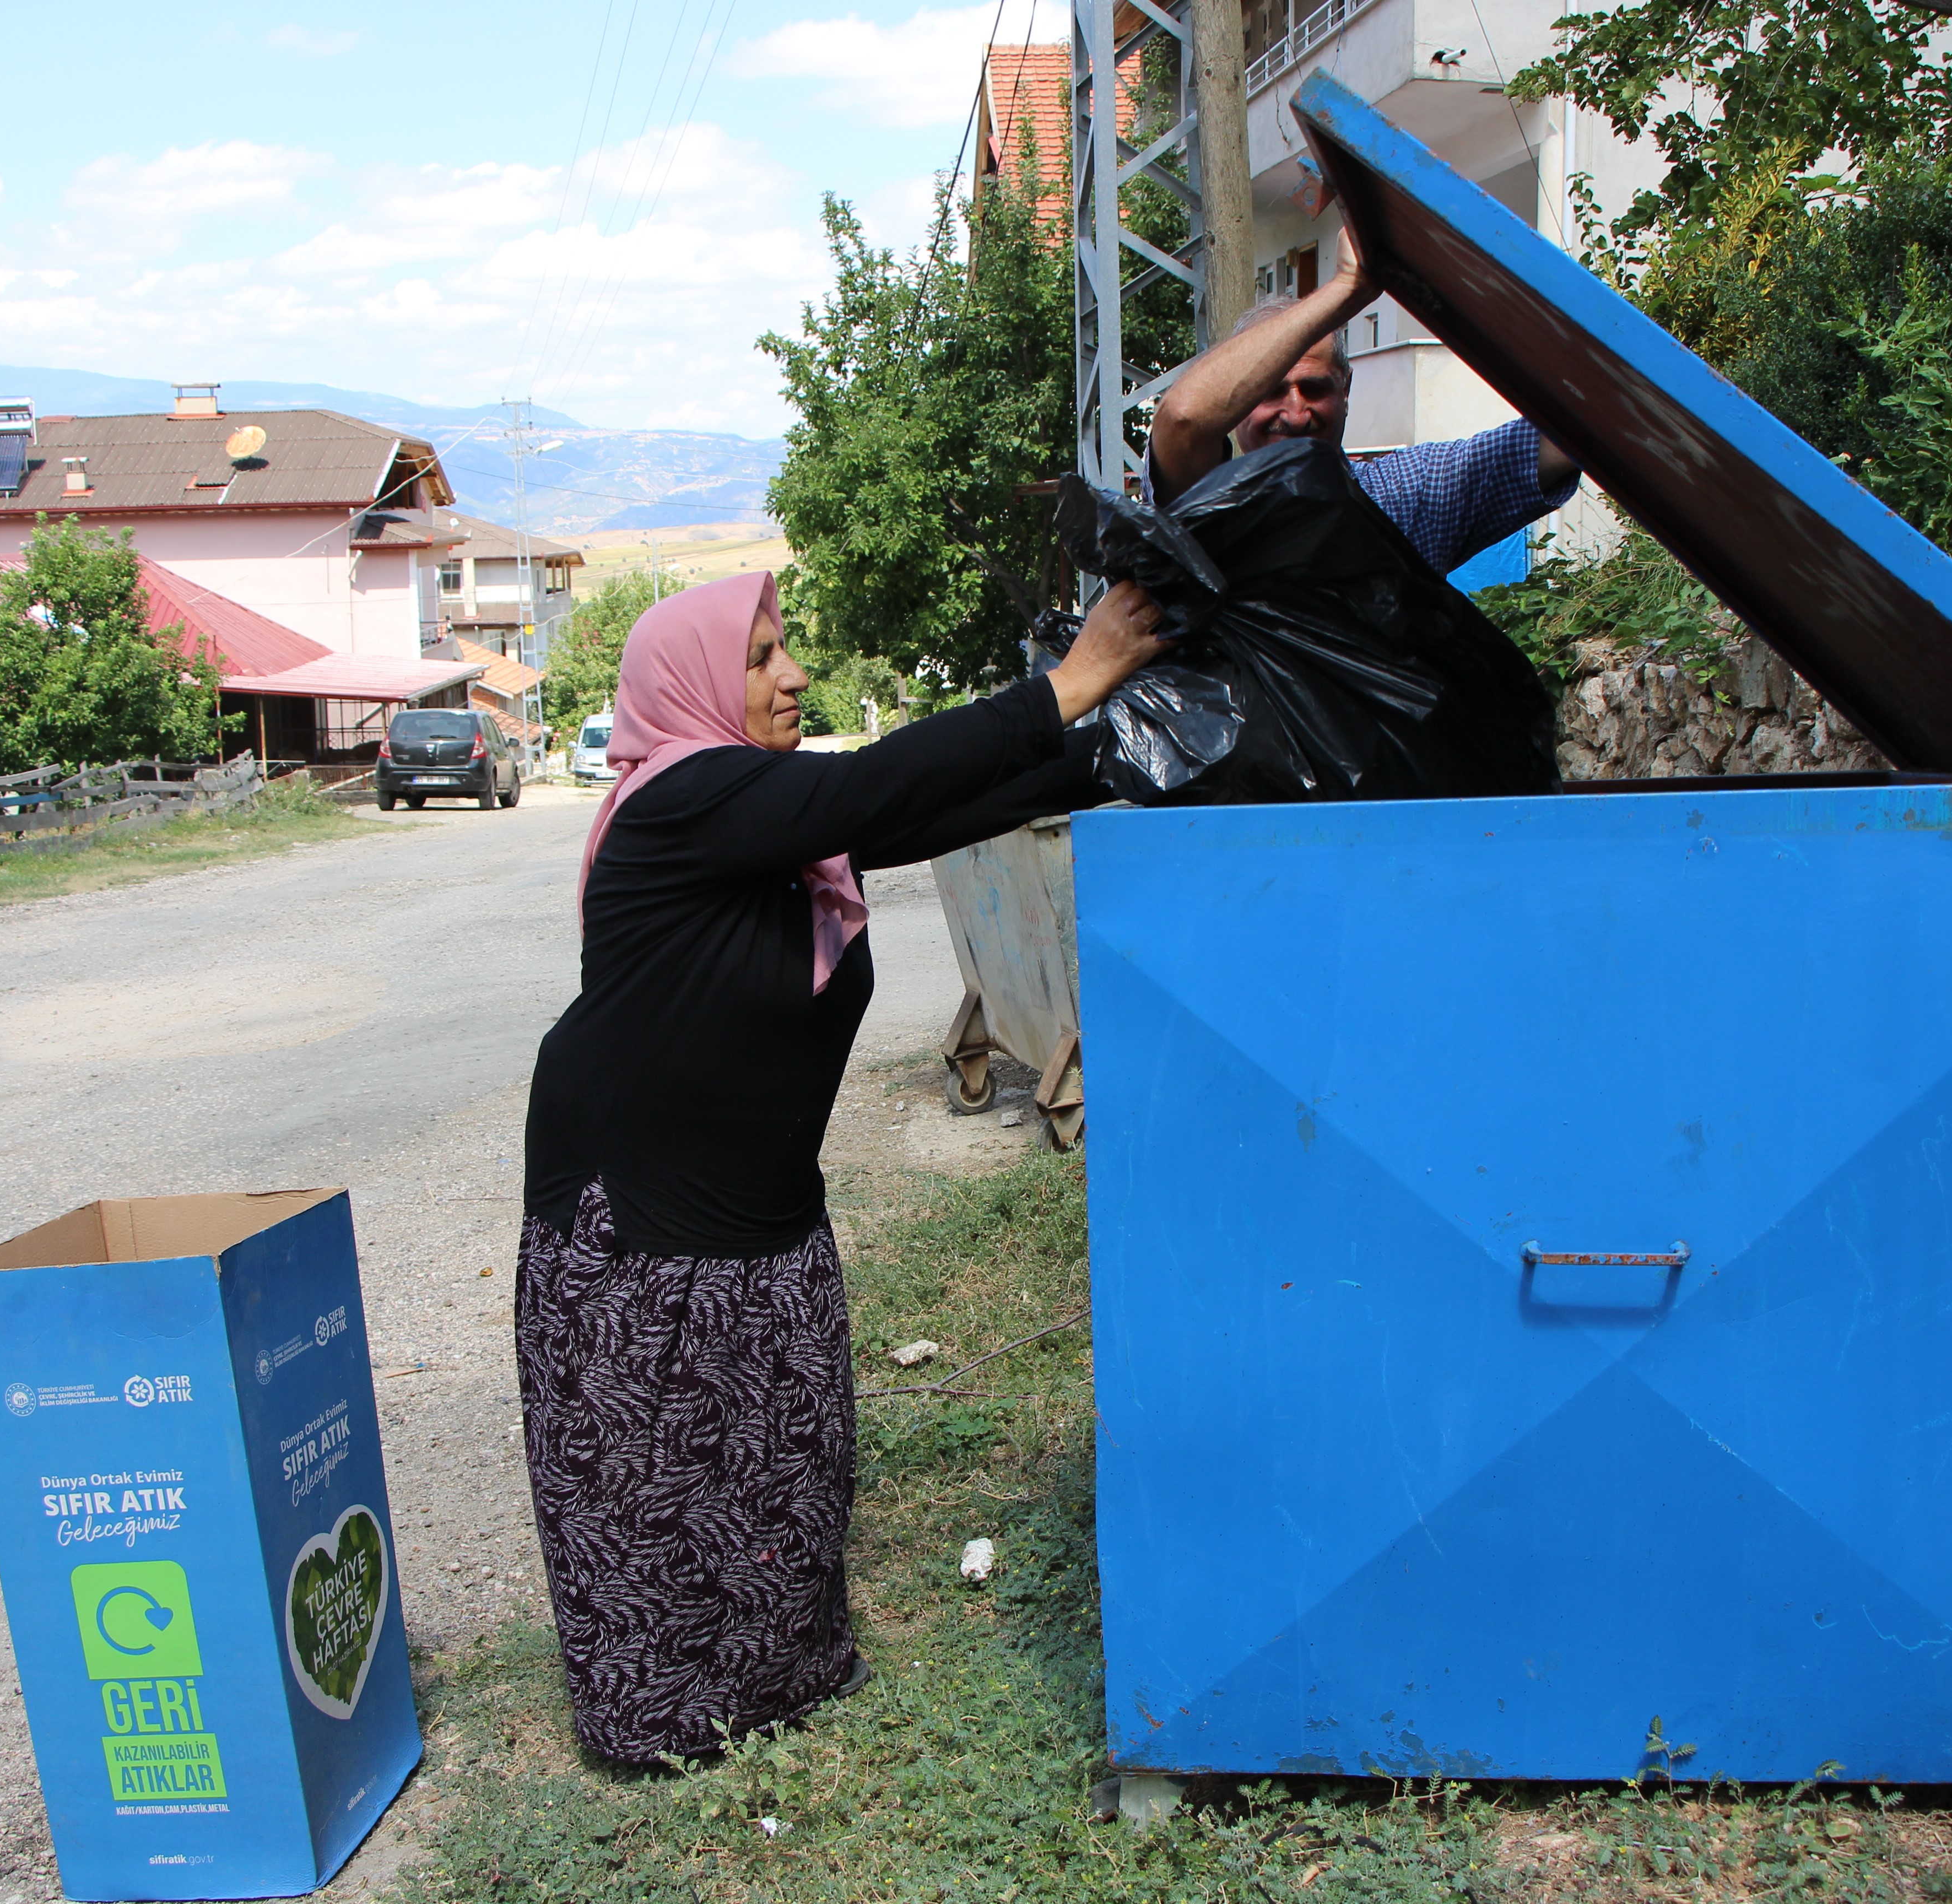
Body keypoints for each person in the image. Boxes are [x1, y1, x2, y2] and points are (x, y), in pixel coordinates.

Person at [514, 569, 1164, 1764]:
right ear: (695, 683)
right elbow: (876, 782)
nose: (793, 674)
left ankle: (777, 1674)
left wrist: (1128, 742)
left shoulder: (783, 836)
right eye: (761, 657)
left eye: (785, 650)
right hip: (639, 1211)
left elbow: (947, 802)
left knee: (777, 1449)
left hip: (758, 1204)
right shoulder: (681, 799)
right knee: (652, 1463)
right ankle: (657, 1714)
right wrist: (1074, 677)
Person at [1148, 219, 1581, 574]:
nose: (1296, 414)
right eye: (1270, 391)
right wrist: (1347, 290)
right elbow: (1182, 420)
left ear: (1346, 390)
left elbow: (1569, 432)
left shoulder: (1406, 499)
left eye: (1314, 389)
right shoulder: (1205, 506)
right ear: (1237, 402)